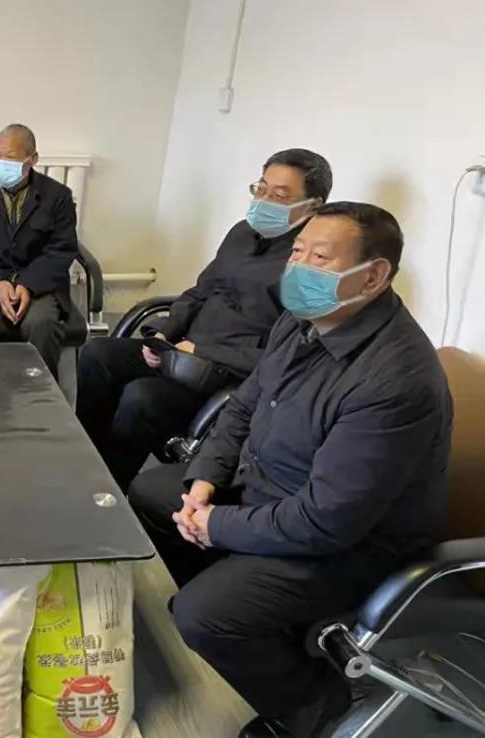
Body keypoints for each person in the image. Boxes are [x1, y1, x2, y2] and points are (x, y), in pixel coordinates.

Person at [129, 202, 451, 738]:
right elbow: (242, 407)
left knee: (204, 614)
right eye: (297, 252)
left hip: (351, 544)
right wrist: (203, 483)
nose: (297, 269)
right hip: (271, 493)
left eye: (320, 259)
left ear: (373, 276)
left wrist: (216, 525)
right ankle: (258, 622)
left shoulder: (396, 380)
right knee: (152, 494)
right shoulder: (300, 321)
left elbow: (327, 520)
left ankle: (317, 710)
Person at [76, 149, 332, 489]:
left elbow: (283, 353)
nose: (264, 201)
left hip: (222, 374)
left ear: (313, 206)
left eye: (280, 196)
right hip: (180, 351)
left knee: (141, 397)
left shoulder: (310, 265)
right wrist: (164, 335)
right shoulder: (242, 233)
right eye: (261, 188)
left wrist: (202, 352)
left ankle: (106, 487)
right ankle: (82, 456)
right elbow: (200, 291)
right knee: (98, 355)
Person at [0, 124, 78, 375]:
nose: (1, 163)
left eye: (9, 157)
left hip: (40, 286)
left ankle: (37, 393)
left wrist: (28, 284)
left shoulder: (58, 197)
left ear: (33, 159)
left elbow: (61, 249)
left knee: (42, 323)